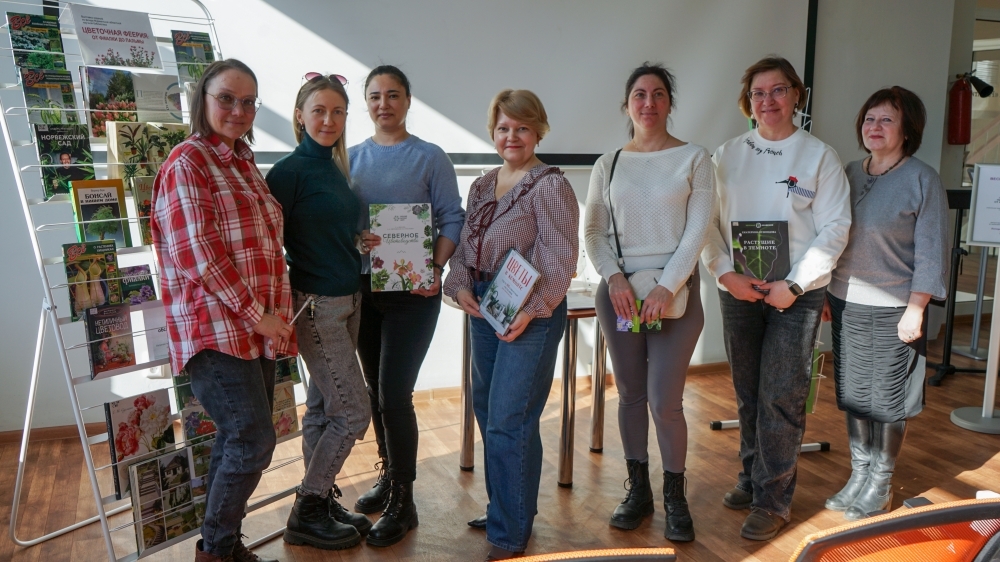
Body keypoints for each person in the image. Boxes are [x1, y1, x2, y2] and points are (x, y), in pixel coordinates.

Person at [700, 56, 851, 541]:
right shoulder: (725, 155)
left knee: (782, 396)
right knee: (748, 392)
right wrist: (726, 274)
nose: (768, 101)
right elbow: (705, 224)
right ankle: (751, 476)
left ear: (796, 95)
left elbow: (835, 228)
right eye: (758, 93)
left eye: (778, 90)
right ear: (748, 101)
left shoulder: (819, 157)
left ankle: (773, 500)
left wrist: (797, 284)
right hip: (739, 289)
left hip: (796, 294)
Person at [151, 59, 293, 562]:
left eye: (248, 101)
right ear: (203, 100)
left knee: (238, 439)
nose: (238, 110)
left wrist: (272, 317)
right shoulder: (187, 162)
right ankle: (215, 550)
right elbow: (200, 255)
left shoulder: (243, 162)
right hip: (215, 329)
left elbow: (265, 247)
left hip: (253, 327)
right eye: (227, 98)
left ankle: (221, 545)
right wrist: (259, 315)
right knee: (253, 440)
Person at [443, 89, 578, 561]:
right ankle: (508, 509)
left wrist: (532, 308)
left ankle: (509, 533)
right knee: (488, 411)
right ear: (493, 132)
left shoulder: (551, 186)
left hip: (529, 312)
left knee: (510, 418)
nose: (512, 136)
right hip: (485, 305)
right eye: (503, 128)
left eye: (522, 127)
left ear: (538, 131)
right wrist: (460, 285)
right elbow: (465, 248)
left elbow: (560, 257)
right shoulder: (482, 185)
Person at [584, 63, 713, 542]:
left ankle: (675, 497)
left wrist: (668, 286)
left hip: (675, 296)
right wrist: (614, 278)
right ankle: (638, 492)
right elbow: (593, 232)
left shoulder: (695, 158)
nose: (649, 103)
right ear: (627, 105)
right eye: (639, 94)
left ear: (669, 103)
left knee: (664, 401)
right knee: (631, 395)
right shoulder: (609, 164)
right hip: (620, 296)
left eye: (659, 94)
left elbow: (697, 231)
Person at [348, 65, 465, 547]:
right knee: (377, 390)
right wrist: (357, 237)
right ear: (366, 103)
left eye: (393, 95)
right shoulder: (350, 158)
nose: (384, 104)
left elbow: (452, 217)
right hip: (364, 291)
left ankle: (405, 502)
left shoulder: (430, 157)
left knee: (395, 393)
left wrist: (435, 268)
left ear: (408, 100)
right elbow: (344, 223)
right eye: (375, 96)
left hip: (414, 293)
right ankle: (389, 474)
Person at [824, 87, 947, 520]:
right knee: (854, 393)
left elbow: (932, 252)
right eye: (869, 119)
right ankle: (858, 474)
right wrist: (824, 290)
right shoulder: (848, 173)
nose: (874, 127)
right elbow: (831, 237)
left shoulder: (922, 179)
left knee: (888, 398)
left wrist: (917, 308)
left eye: (886, 120)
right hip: (845, 301)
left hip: (896, 306)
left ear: (907, 130)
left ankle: (880, 482)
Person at [265, 73, 372, 550]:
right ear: (300, 116)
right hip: (317, 306)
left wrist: (357, 240)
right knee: (352, 413)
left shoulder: (334, 167)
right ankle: (307, 509)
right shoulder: (287, 173)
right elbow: (272, 246)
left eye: (338, 112)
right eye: (319, 111)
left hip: (350, 300)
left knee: (323, 409)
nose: (329, 120)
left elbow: (321, 230)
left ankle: (322, 501)